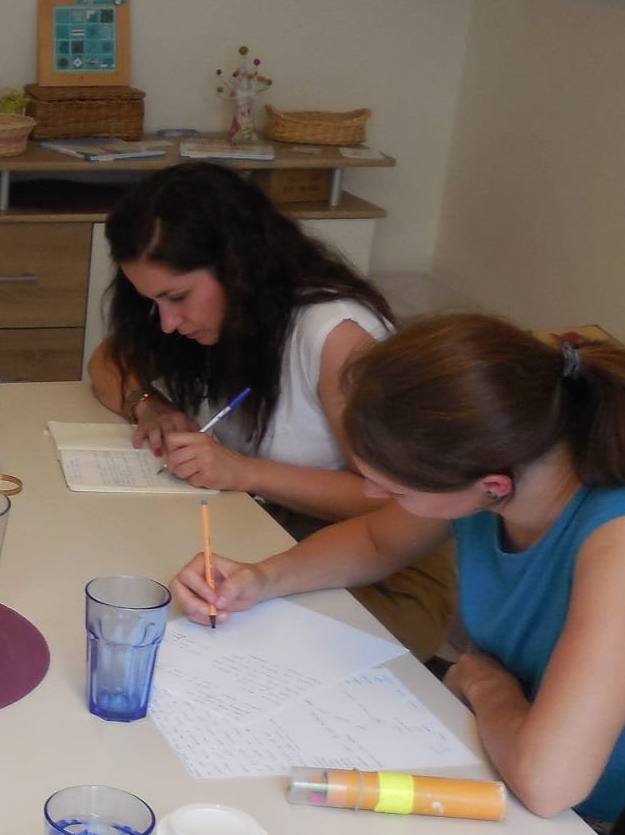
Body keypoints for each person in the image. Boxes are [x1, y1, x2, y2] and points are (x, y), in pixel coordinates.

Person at [169, 314, 625, 825]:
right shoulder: (505, 461)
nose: (371, 495)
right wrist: (260, 580)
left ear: (491, 487)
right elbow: (377, 539)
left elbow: (549, 783)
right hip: (516, 760)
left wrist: (483, 683)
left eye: (394, 488)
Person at [85, 163, 453, 657]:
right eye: (153, 302)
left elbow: (396, 503)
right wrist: (150, 406)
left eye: (177, 297)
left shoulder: (335, 336)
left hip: (381, 571)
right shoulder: (216, 317)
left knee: (205, 649)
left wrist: (245, 472)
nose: (168, 323)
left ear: (236, 265)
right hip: (270, 537)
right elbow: (108, 363)